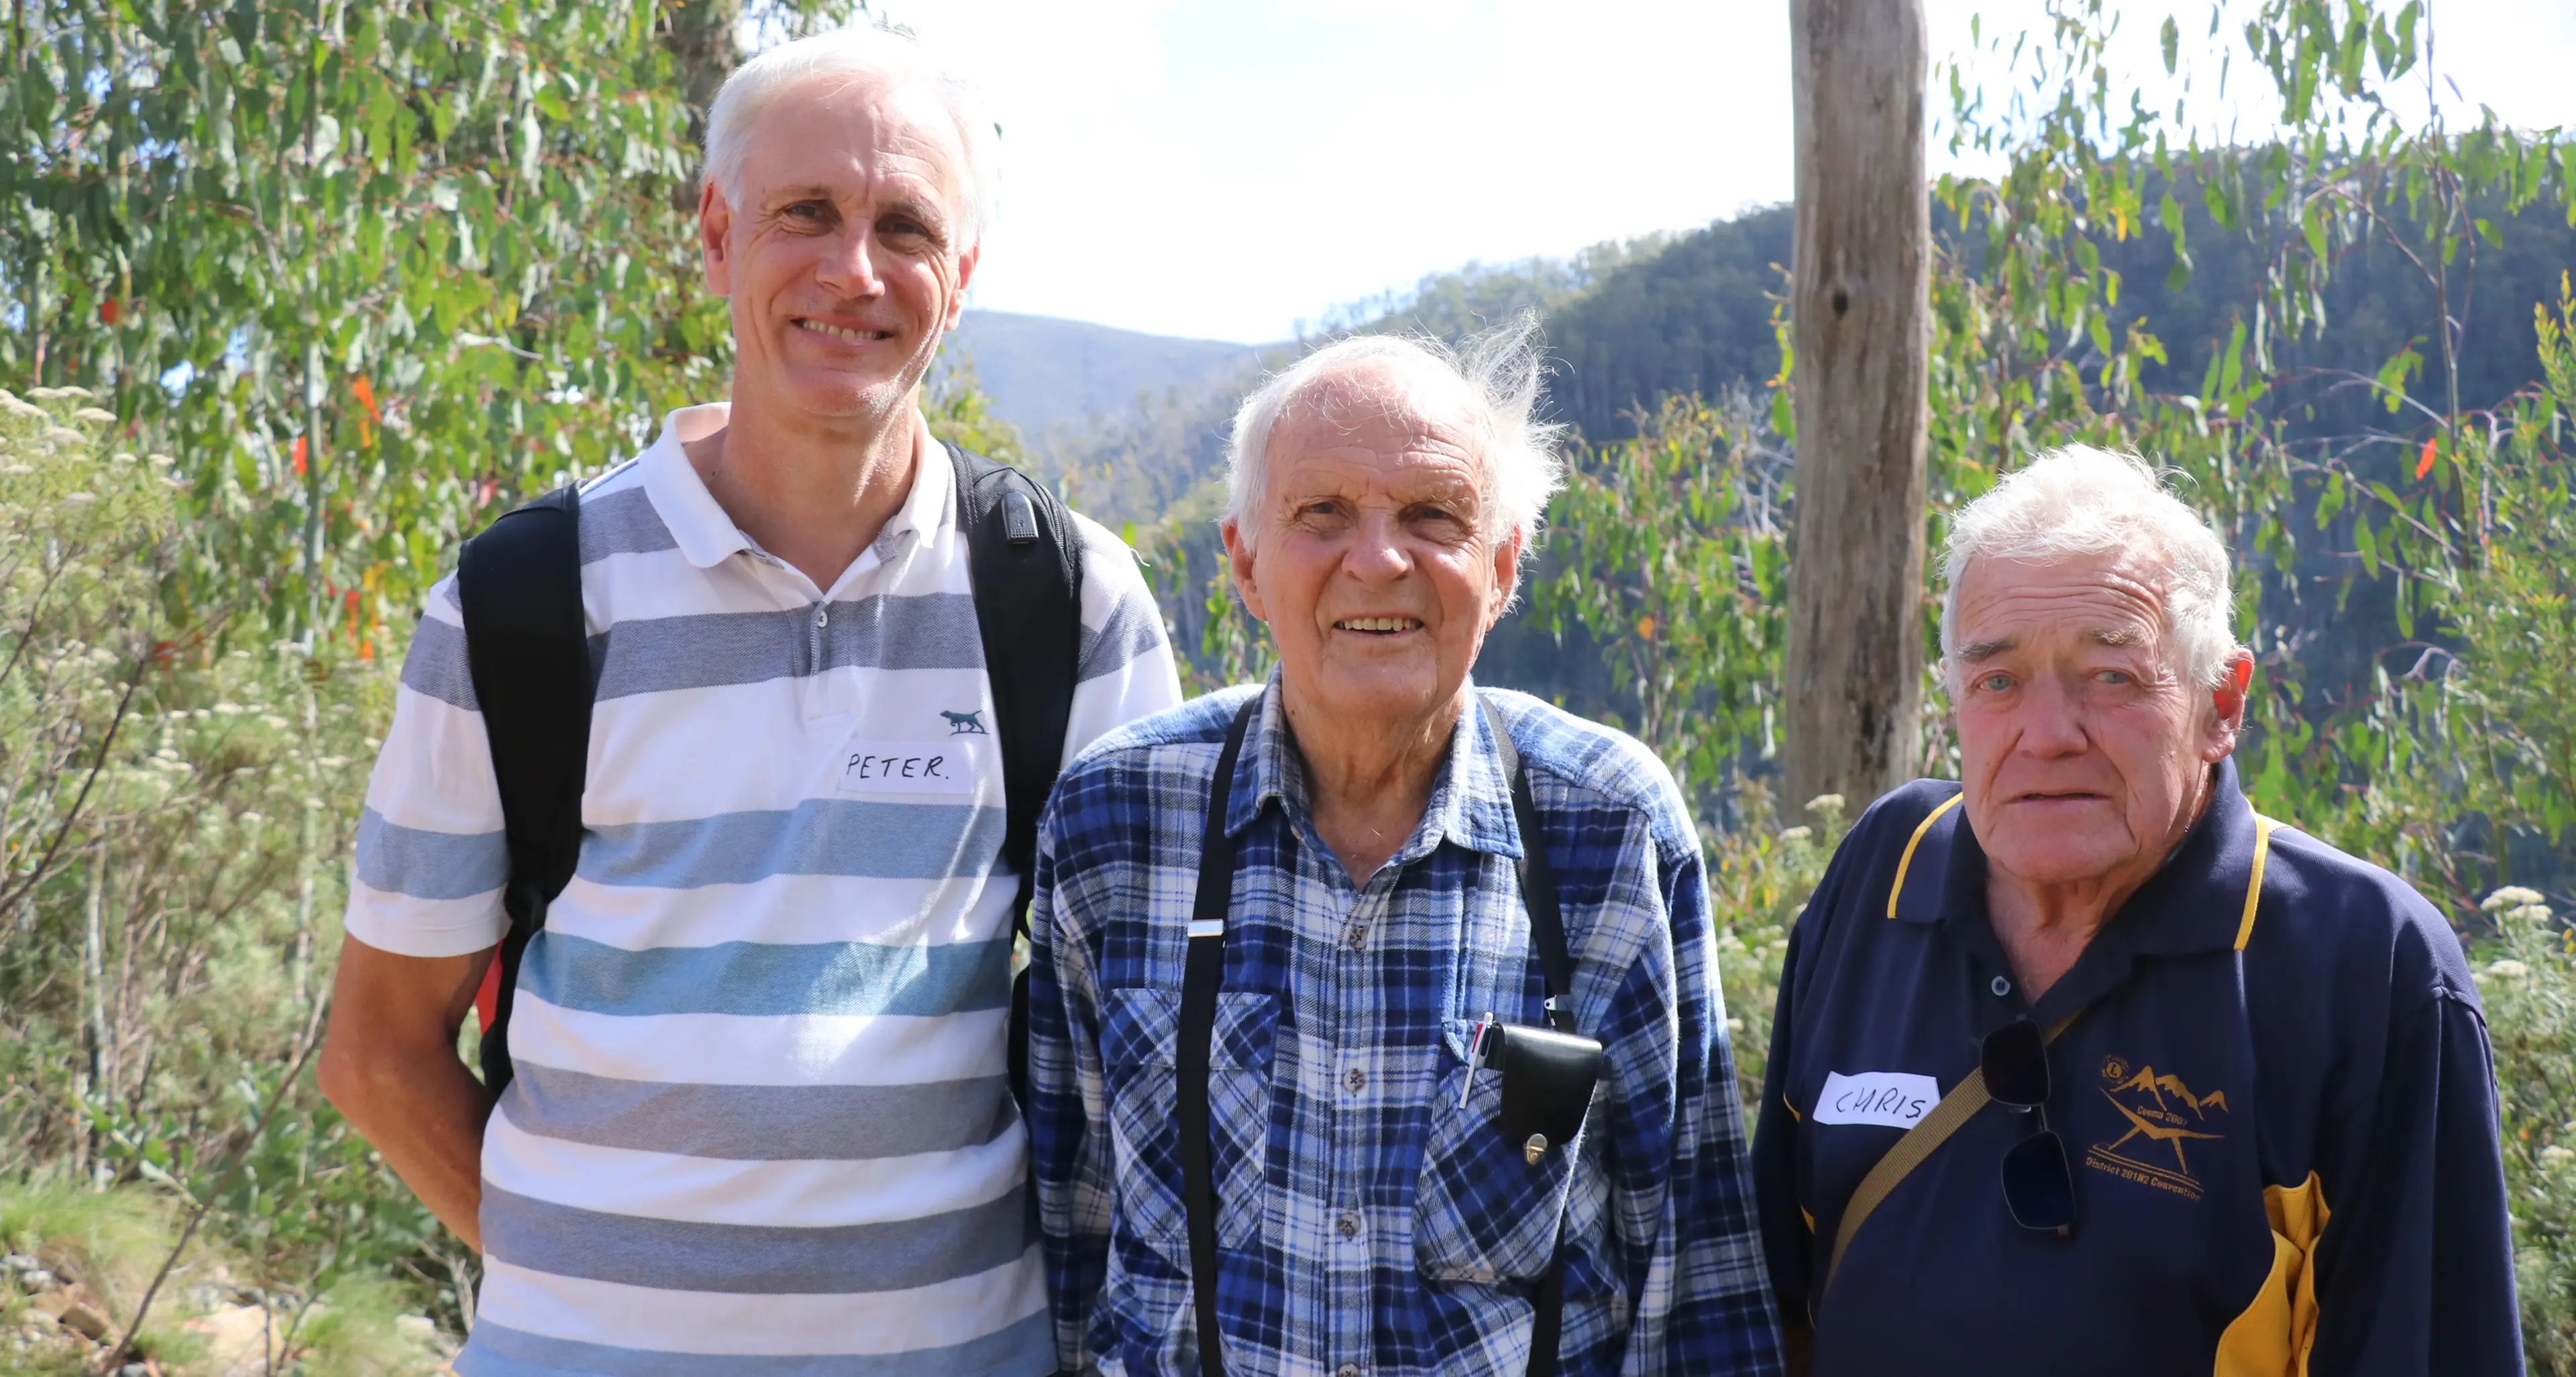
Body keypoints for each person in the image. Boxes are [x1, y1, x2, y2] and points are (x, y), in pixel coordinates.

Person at [316, 26, 1183, 1377]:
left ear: (959, 278)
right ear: (717, 237)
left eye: (905, 226)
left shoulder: (1066, 604)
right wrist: (588, 1291)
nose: (854, 270)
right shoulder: (523, 604)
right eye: (807, 214)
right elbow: (376, 1052)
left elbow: (1149, 1046)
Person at [1025, 322, 1784, 1377]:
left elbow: (1692, 1276)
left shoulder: (1608, 832)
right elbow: (1069, 1243)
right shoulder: (1117, 822)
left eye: (1433, 516)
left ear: (1504, 566)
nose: (1378, 562)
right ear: (1245, 563)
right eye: (1321, 514)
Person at [1750, 445, 2520, 1375]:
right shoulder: (1885, 872)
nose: (2046, 736)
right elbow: (1767, 1293)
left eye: (2110, 676)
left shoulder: (2364, 965)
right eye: (1999, 680)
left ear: (2221, 705)